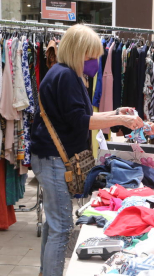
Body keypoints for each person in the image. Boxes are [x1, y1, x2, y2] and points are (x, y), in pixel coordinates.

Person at [30, 25, 143, 276]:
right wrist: (120, 121)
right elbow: (81, 121)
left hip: (50, 157)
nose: (95, 62)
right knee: (62, 227)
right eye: (91, 56)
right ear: (78, 52)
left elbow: (83, 115)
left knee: (54, 223)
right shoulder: (68, 76)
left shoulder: (65, 73)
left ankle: (45, 271)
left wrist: (115, 114)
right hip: (53, 159)